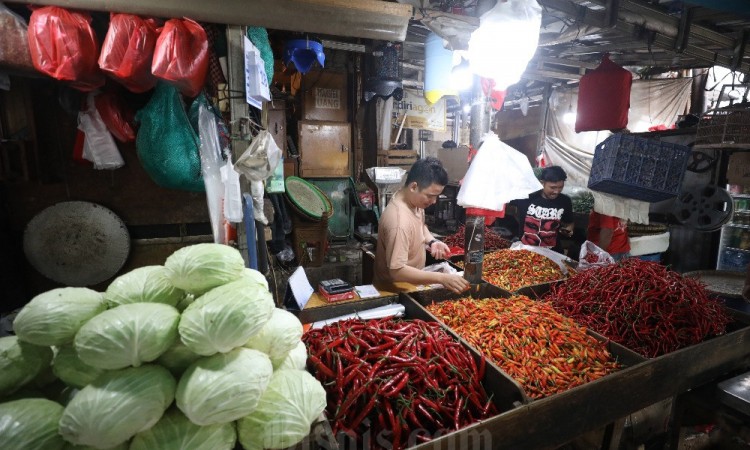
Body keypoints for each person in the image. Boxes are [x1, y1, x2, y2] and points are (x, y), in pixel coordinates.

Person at [374, 157, 470, 294]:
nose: (434, 201)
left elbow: (421, 225)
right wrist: (441, 278)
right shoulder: (399, 221)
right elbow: (397, 271)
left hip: (411, 285)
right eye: (430, 196)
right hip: (395, 291)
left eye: (437, 196)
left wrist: (432, 241)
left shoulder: (413, 202)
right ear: (413, 186)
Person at [508, 166, 574, 253]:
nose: (557, 191)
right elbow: (504, 193)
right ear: (542, 183)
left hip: (552, 251)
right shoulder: (526, 197)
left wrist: (569, 230)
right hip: (527, 251)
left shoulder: (565, 201)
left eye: (560, 187)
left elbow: (569, 222)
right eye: (553, 187)